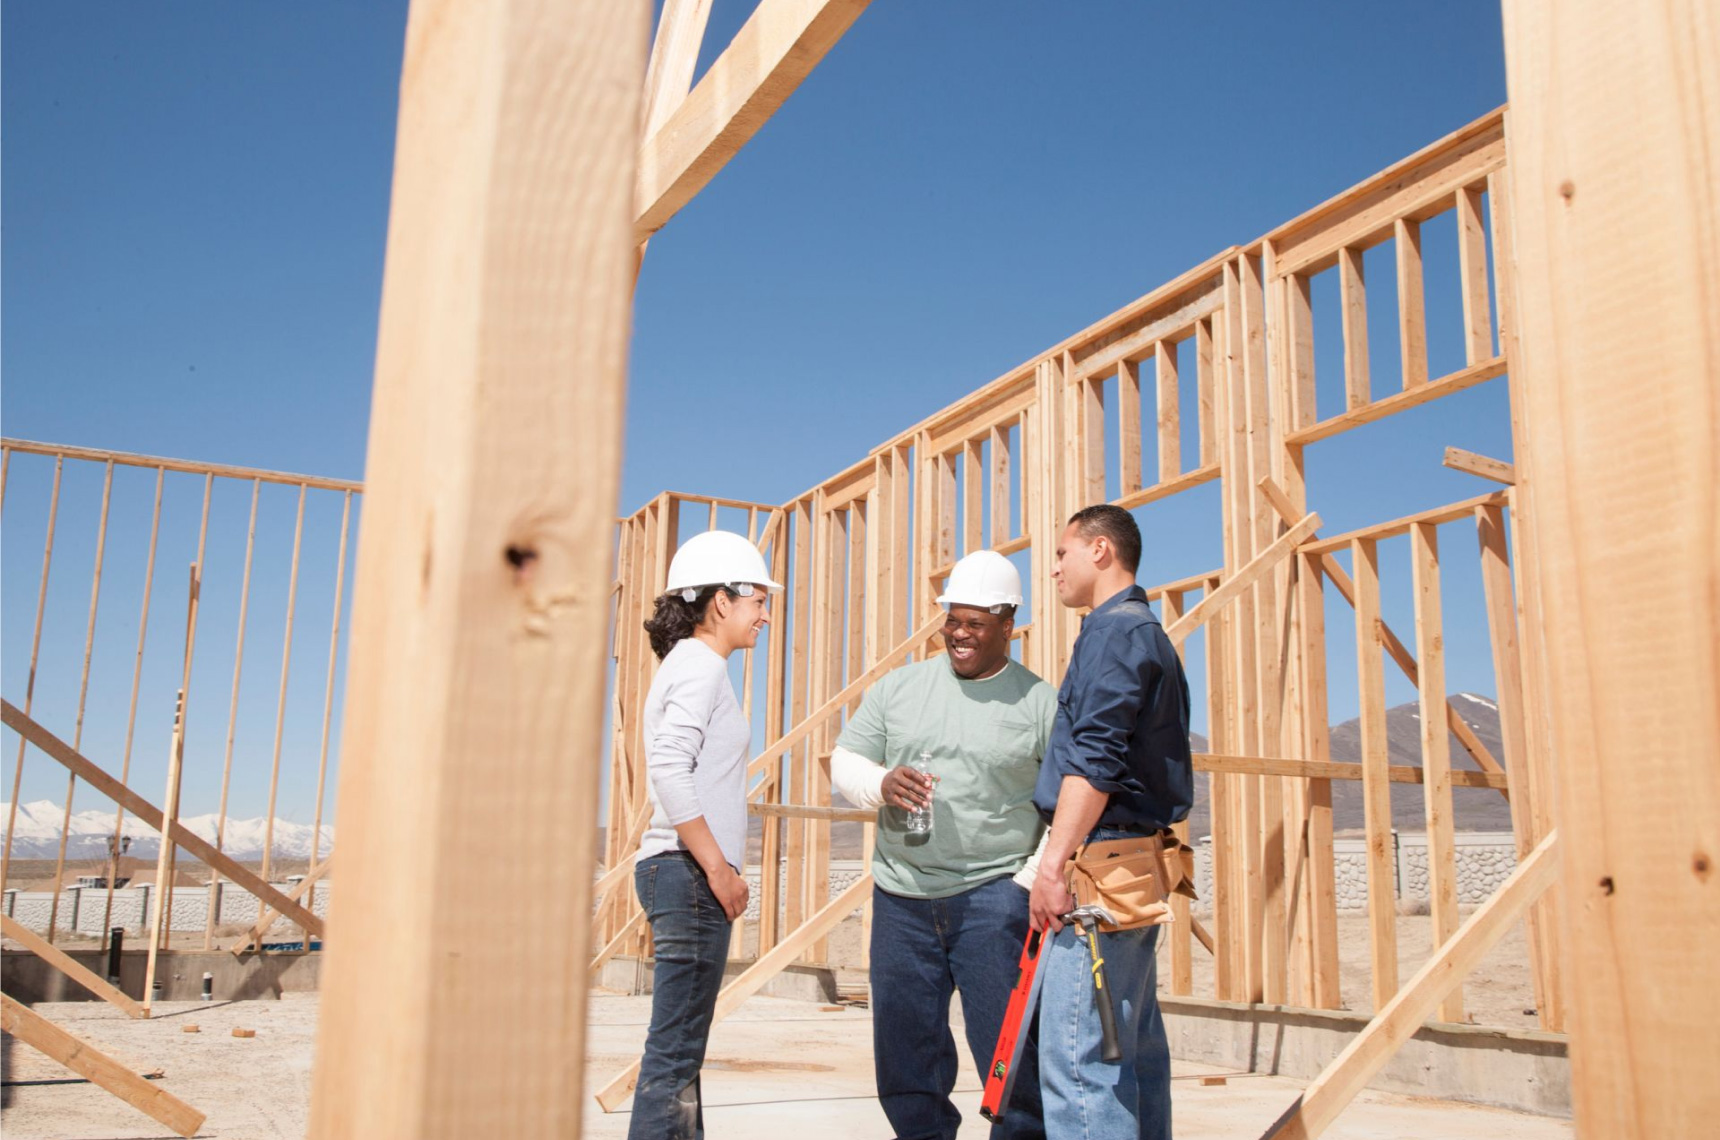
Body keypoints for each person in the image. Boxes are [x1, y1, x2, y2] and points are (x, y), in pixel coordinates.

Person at [832, 549, 1053, 1140]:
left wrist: (1023, 885)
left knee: (1010, 1056)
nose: (958, 633)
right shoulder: (900, 687)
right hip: (901, 897)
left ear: (1008, 625)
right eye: (952, 619)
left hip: (993, 900)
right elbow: (845, 757)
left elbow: (1064, 807)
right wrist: (879, 783)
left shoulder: (1039, 703)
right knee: (907, 1056)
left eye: (975, 623)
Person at [1027, 504, 1194, 1140]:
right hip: (1134, 863)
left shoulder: (1114, 632)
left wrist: (1055, 864)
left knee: (1079, 1063)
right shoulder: (1143, 631)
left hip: (1099, 866)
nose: (1054, 569)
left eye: (1062, 553)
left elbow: (1095, 762)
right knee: (1133, 1053)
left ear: (1100, 551)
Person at [630, 530, 782, 1140]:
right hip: (689, 874)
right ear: (722, 600)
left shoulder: (690, 665)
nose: (764, 615)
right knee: (672, 1059)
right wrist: (718, 867)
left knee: (679, 1057)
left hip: (678, 871)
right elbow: (669, 765)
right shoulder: (700, 666)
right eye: (757, 602)